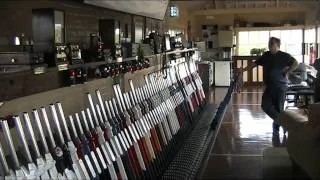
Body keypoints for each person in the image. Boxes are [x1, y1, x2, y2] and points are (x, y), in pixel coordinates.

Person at [237, 37, 298, 135]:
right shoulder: (266, 55)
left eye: (272, 43)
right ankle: (284, 123)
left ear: (278, 45)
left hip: (280, 86)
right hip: (269, 87)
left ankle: (276, 130)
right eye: (269, 43)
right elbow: (254, 64)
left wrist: (287, 72)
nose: (269, 45)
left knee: (279, 108)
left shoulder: (284, 56)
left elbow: (295, 63)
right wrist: (243, 70)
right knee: (265, 106)